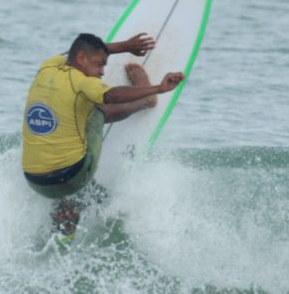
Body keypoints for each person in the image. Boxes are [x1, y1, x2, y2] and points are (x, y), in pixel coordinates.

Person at [22, 32, 184, 237]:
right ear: (81, 59)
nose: (102, 72)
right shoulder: (83, 82)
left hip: (35, 181)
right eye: (99, 65)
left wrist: (125, 46)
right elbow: (113, 95)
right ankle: (146, 102)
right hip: (72, 175)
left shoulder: (47, 67)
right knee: (97, 109)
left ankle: (65, 212)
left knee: (65, 112)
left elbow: (71, 52)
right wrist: (158, 88)